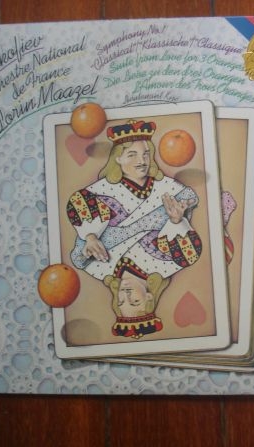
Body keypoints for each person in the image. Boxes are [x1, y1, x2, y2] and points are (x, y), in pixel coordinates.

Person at [66, 119, 202, 338]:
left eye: (121, 301)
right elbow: (189, 253)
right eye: (134, 301)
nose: (142, 161)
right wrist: (176, 222)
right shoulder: (164, 265)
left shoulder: (102, 269)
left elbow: (79, 252)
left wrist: (90, 238)